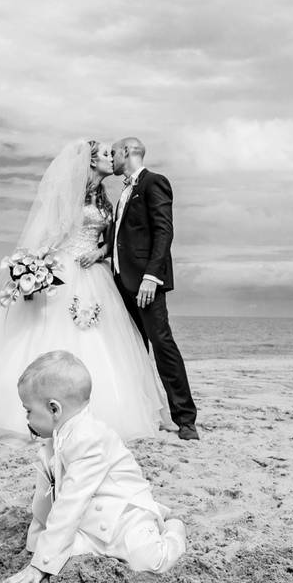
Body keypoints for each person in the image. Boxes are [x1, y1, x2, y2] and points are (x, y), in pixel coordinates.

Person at [0, 140, 170, 441]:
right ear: (89, 163)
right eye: (104, 154)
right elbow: (54, 233)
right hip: (65, 268)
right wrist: (35, 265)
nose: (110, 159)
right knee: (47, 331)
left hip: (95, 273)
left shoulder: (106, 197)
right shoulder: (70, 197)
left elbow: (111, 239)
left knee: (100, 338)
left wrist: (100, 252)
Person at [6, 351, 187, 583]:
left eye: (28, 411)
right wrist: (38, 543)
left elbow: (72, 500)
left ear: (53, 409)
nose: (26, 418)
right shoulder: (56, 439)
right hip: (92, 519)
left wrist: (41, 565)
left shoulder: (88, 438)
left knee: (147, 561)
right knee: (63, 552)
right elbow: (47, 500)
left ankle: (174, 527)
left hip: (123, 515)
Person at [109, 137, 199, 440]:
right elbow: (120, 236)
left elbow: (164, 231)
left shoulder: (154, 183)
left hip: (146, 284)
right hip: (121, 282)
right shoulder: (123, 190)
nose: (111, 158)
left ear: (127, 152)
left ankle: (185, 418)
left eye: (114, 153)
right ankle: (142, 412)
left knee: (162, 345)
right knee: (133, 349)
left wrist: (152, 276)